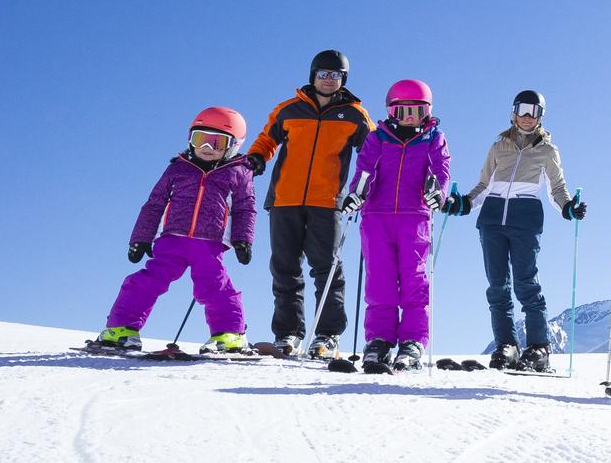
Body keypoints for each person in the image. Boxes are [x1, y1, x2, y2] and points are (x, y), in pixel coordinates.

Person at [95, 108, 257, 353]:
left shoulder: (238, 173)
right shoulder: (178, 169)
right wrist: (140, 238)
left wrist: (243, 239)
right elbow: (154, 205)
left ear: (233, 145)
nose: (207, 147)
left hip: (210, 244)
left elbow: (245, 209)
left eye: (216, 142)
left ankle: (229, 334)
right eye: (200, 139)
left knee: (215, 286)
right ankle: (121, 329)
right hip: (171, 241)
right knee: (147, 281)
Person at [245, 50, 373, 359]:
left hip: (328, 202)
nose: (329, 80)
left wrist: (364, 186)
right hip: (284, 199)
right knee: (285, 267)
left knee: (326, 268)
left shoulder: (355, 115)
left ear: (343, 79)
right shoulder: (289, 110)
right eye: (323, 74)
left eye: (336, 76)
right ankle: (288, 332)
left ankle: (327, 335)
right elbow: (267, 139)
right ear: (312, 75)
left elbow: (372, 154)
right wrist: (257, 157)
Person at [447, 90, 587, 372]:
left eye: (533, 111)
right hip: (491, 221)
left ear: (540, 116)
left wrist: (567, 207)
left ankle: (539, 347)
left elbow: (557, 188)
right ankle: (507, 346)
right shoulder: (499, 146)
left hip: (525, 221)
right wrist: (463, 204)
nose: (527, 116)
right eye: (522, 109)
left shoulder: (548, 150)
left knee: (526, 284)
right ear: (513, 112)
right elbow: (484, 185)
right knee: (497, 286)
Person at [342, 79, 450, 372]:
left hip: (414, 217)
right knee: (380, 280)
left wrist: (437, 191)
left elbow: (440, 170)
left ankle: (412, 340)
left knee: (414, 279)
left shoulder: (433, 138)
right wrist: (357, 192)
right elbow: (365, 169)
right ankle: (379, 339)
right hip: (377, 216)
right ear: (391, 112)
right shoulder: (378, 138)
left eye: (416, 111)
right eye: (403, 112)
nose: (410, 118)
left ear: (427, 112)